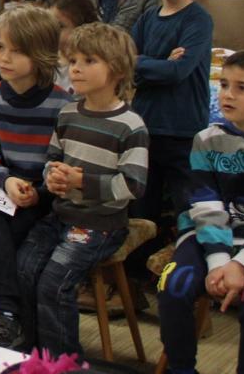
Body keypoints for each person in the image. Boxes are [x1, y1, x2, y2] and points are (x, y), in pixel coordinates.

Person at [17, 22, 148, 356]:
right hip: (61, 215)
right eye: (73, 60)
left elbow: (133, 184)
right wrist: (52, 177)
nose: (75, 68)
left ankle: (63, 361)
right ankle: (30, 352)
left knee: (55, 282)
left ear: (117, 70)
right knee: (25, 267)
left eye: (89, 61)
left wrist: (81, 182)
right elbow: (52, 158)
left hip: (100, 224)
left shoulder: (131, 126)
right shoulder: (68, 113)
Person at [158, 49, 244, 374]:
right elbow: (204, 202)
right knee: (174, 285)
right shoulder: (206, 139)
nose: (227, 94)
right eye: (224, 85)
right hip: (207, 234)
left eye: (242, 88)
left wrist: (241, 264)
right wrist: (218, 262)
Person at [0, 6, 70, 351]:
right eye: (0, 47)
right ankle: (5, 314)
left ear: (40, 53)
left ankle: (10, 317)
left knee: (17, 230)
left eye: (17, 50)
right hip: (4, 187)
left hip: (46, 193)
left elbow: (63, 161)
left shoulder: (63, 104)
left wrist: (39, 191)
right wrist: (5, 180)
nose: (5, 58)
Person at [130, 0, 214, 264]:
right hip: (145, 126)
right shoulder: (147, 18)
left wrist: (144, 63)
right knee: (142, 210)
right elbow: (123, 64)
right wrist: (158, 63)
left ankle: (186, 275)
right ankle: (135, 279)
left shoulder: (198, 20)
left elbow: (178, 72)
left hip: (182, 130)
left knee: (186, 210)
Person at [47, 0, 99, 94]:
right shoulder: (44, 63)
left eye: (60, 26)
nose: (51, 30)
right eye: (50, 24)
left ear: (82, 29)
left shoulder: (93, 68)